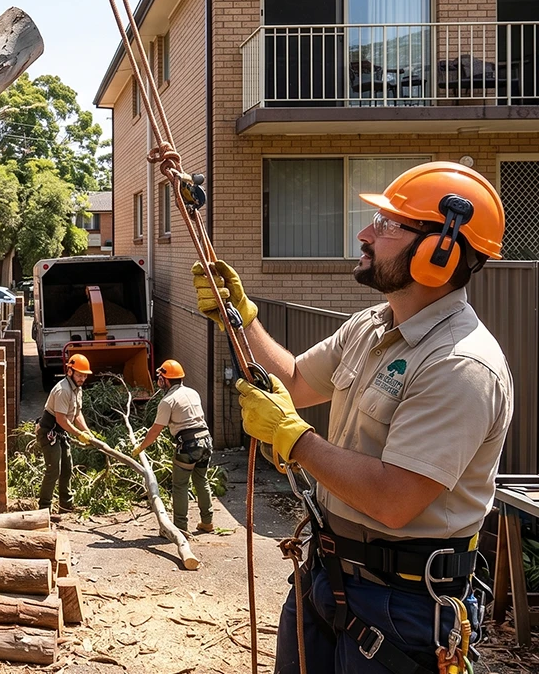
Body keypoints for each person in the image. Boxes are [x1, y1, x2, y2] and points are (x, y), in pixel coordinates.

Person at [191, 161, 513, 674]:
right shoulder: (369, 327)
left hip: (404, 607)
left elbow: (394, 500)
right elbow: (295, 379)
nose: (365, 235)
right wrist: (242, 316)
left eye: (388, 225)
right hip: (327, 573)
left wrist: (294, 439)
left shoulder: (459, 365)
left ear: (440, 250)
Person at [132, 359, 214, 535]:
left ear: (166, 379)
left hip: (189, 445)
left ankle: (180, 528)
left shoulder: (167, 401)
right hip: (206, 441)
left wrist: (141, 447)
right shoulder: (193, 393)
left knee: (180, 485)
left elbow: (155, 431)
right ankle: (207, 522)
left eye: (160, 377)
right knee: (201, 480)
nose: (158, 380)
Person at [37, 353, 96, 514]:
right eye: (79, 375)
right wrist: (79, 434)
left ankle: (66, 504)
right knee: (53, 469)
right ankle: (44, 509)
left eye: (84, 375)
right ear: (70, 371)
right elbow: (62, 420)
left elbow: (77, 414)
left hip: (61, 433)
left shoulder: (77, 389)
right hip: (49, 432)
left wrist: (87, 432)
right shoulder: (63, 390)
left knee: (67, 468)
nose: (82, 378)